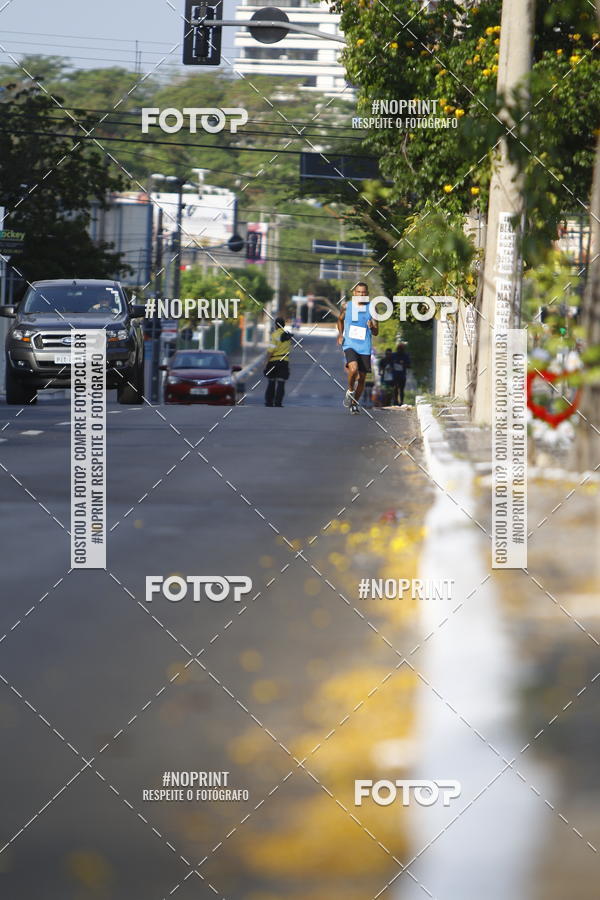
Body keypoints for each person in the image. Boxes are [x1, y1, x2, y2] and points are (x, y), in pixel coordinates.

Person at [337, 282, 378, 414]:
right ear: (354, 293)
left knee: (361, 378)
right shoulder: (346, 306)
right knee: (353, 369)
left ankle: (354, 403)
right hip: (349, 344)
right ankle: (350, 390)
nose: (361, 294)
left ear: (367, 294)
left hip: (364, 346)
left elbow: (377, 332)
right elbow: (340, 320)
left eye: (364, 292)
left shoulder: (372, 308)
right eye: (358, 292)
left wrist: (372, 327)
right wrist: (340, 334)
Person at [264, 316, 292, 407]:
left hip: (273, 361)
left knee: (271, 382)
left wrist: (266, 363)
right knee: (281, 383)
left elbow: (270, 351)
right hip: (284, 362)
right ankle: (278, 403)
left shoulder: (275, 335)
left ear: (276, 325)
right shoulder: (288, 336)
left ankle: (269, 402)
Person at [392, 342, 411, 406]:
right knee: (395, 388)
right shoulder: (394, 355)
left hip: (402, 375)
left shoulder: (405, 356)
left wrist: (403, 364)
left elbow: (409, 365)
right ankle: (395, 401)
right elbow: (390, 363)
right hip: (395, 375)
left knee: (401, 389)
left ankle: (401, 402)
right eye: (399, 349)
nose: (400, 350)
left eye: (401, 349)